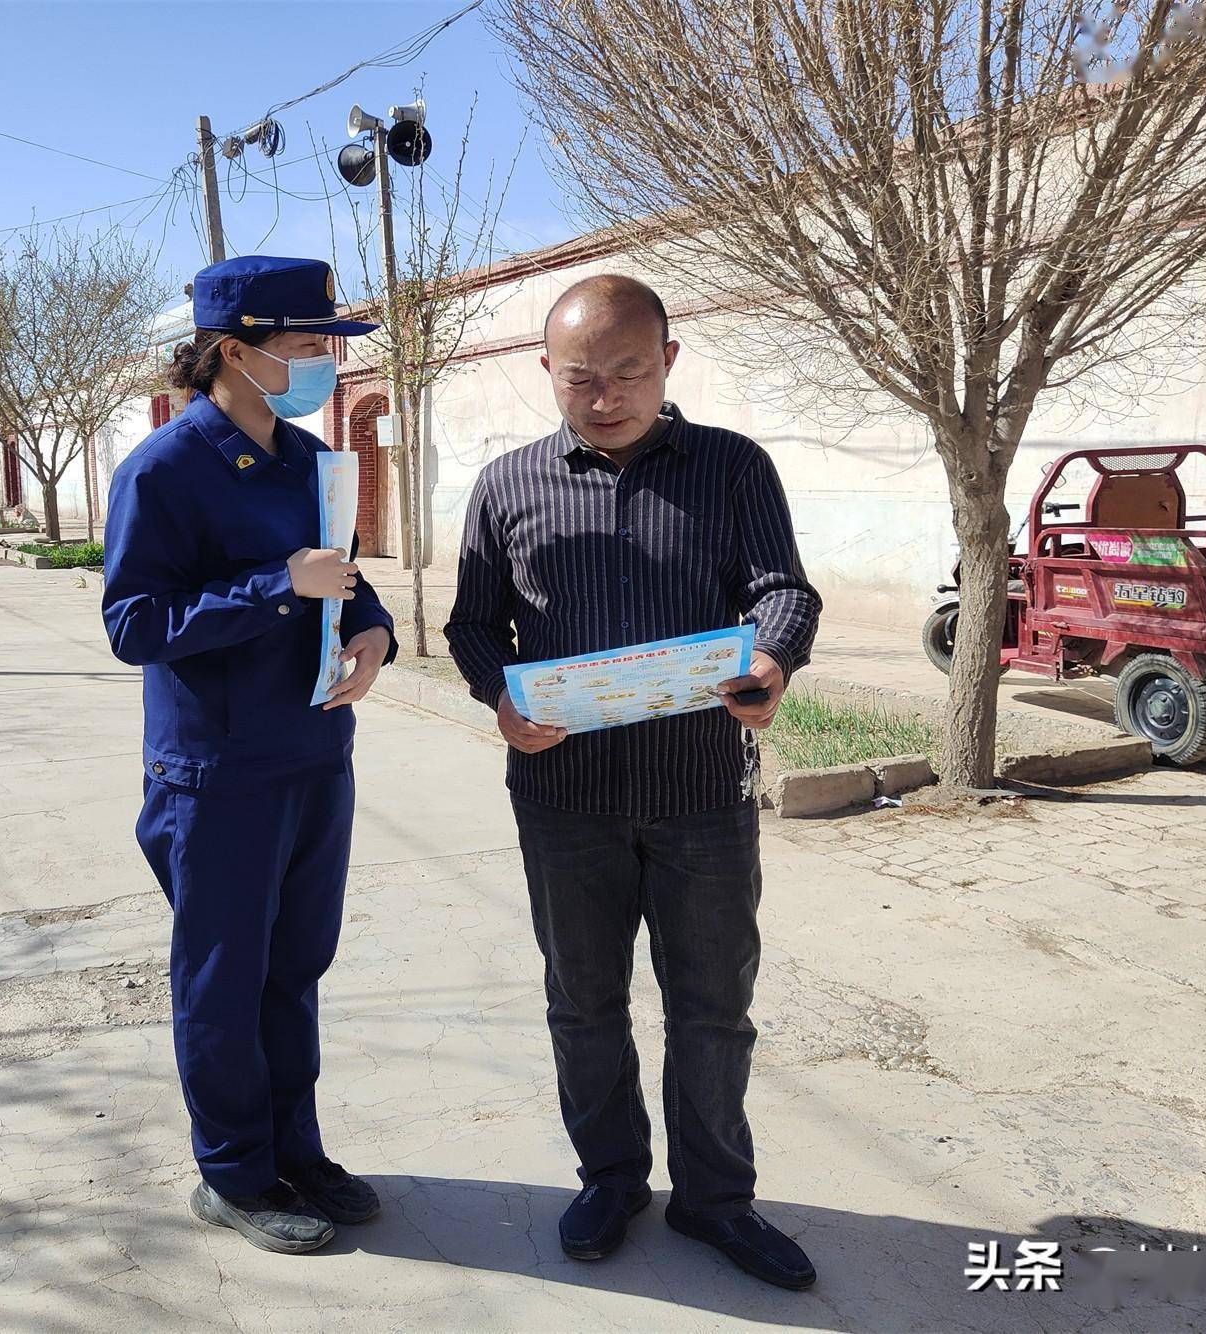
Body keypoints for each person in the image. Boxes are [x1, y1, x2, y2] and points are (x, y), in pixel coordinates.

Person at [445, 274, 823, 1290]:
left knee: (710, 1005)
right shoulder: (508, 484)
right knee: (584, 1001)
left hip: (699, 788)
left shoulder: (731, 468)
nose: (604, 394)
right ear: (545, 373)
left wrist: (771, 663)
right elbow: (472, 620)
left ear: (667, 361)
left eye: (628, 371)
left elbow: (780, 589)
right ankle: (609, 1178)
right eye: (580, 377)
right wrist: (498, 697)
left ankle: (715, 1200)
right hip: (564, 797)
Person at [102, 256, 397, 1255]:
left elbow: (344, 577)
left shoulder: (309, 460)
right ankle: (232, 1171)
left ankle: (295, 1148)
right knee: (223, 978)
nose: (324, 361)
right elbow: (135, 622)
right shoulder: (163, 469)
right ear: (235, 350)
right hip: (217, 771)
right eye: (309, 344)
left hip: (312, 748)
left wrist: (372, 628)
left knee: (294, 966)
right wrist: (277, 584)